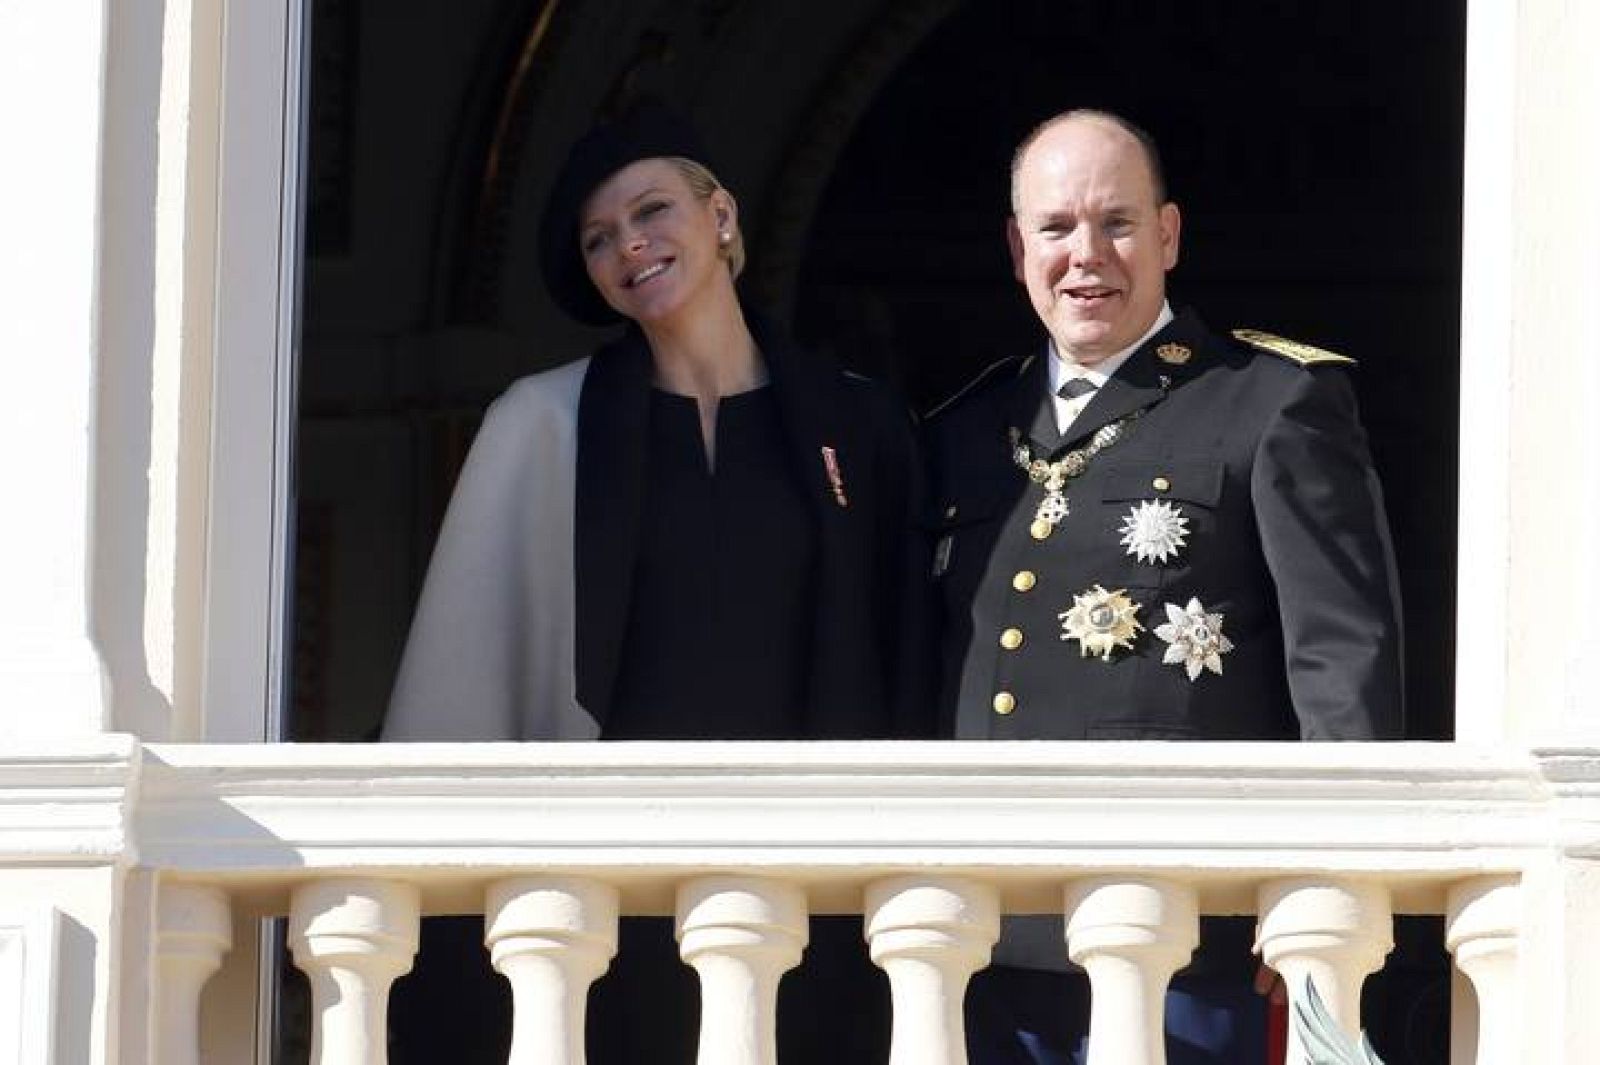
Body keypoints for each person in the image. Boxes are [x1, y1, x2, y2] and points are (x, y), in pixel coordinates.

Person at [382, 101, 926, 1063]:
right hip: (607, 889)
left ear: (720, 216)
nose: (630, 245)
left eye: (651, 211)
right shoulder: (543, 423)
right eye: (601, 238)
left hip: (810, 887)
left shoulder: (862, 423)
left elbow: (906, 657)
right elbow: (459, 692)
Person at [924, 109, 1404, 1064]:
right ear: (1019, 248)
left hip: (1192, 936)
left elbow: (1340, 656)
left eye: (1119, 222)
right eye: (1056, 228)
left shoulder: (1270, 400)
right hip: (985, 939)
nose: (1086, 254)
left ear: (1170, 234)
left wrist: (1329, 877)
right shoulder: (963, 428)